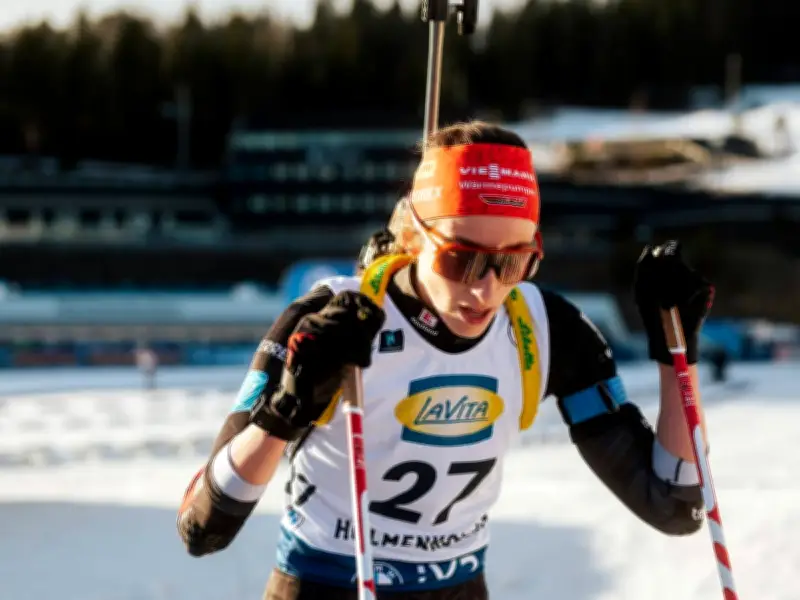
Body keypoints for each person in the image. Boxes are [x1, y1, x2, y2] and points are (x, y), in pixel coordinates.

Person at [177, 121, 714, 600]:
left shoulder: (544, 327)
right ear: (415, 237)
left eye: (513, 263)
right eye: (461, 258)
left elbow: (675, 502)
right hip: (325, 583)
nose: (484, 289)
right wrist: (285, 412)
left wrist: (676, 353)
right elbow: (203, 526)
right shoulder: (334, 318)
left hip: (455, 588)